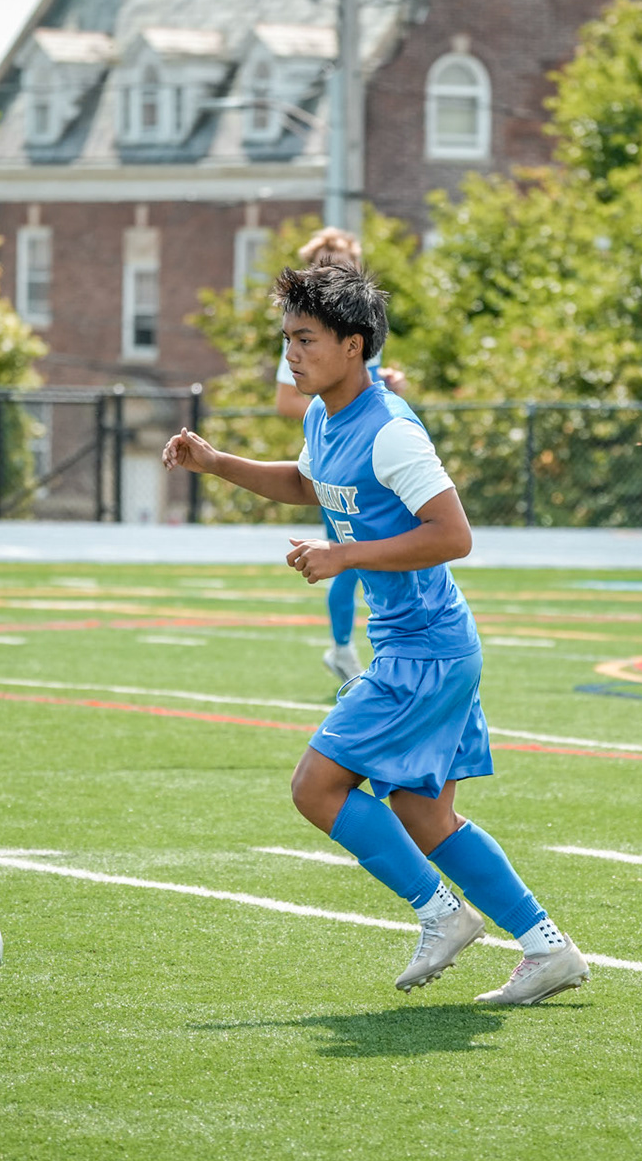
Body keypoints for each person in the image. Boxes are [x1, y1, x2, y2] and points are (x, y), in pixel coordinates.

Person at [163, 264, 589, 1005]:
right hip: (426, 646)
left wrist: (345, 555)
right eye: (287, 339)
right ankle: (548, 948)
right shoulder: (323, 417)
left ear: (353, 346)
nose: (291, 355)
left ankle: (442, 912)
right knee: (426, 816)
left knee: (316, 786)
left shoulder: (391, 430)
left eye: (306, 340)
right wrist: (216, 462)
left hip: (425, 650)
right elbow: (309, 484)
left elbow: (453, 535)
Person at [275, 227, 404, 684]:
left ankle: (375, 650)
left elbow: (452, 536)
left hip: (368, 454)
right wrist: (336, 415)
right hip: (339, 457)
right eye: (328, 264)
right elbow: (288, 402)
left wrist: (388, 385)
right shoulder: (305, 335)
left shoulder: (356, 326)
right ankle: (344, 648)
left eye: (346, 264)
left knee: (368, 552)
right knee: (348, 556)